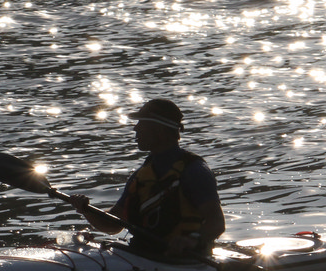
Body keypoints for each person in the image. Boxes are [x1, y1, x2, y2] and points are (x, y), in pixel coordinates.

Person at [69, 98, 225, 260]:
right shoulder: (142, 175)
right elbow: (113, 225)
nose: (135, 128)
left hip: (184, 261)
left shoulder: (194, 171)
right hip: (142, 256)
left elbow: (217, 223)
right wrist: (85, 209)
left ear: (159, 130)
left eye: (142, 123)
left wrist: (192, 240)